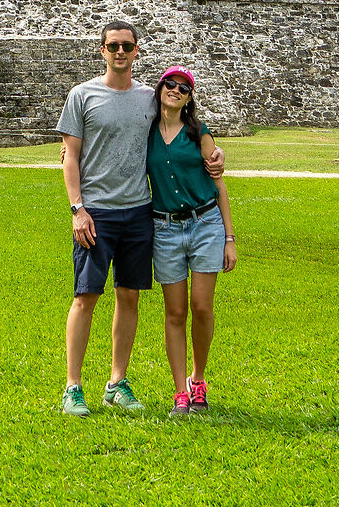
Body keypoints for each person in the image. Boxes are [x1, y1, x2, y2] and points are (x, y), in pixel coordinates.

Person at [56, 20, 221, 416]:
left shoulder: (150, 97)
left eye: (127, 46)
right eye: (112, 45)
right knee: (85, 297)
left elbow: (182, 124)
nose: (120, 52)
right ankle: (73, 386)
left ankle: (117, 381)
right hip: (96, 213)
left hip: (138, 212)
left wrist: (214, 155)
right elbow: (69, 156)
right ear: (101, 50)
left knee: (128, 296)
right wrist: (77, 209)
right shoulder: (82, 95)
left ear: (136, 51)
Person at [147, 66, 234, 415]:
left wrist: (229, 237)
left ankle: (198, 379)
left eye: (184, 88)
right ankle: (180, 390)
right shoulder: (147, 131)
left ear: (189, 97)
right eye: (170, 84)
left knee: (200, 306)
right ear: (160, 88)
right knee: (175, 311)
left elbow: (219, 184)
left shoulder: (199, 132)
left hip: (205, 224)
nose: (176, 90)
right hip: (165, 229)